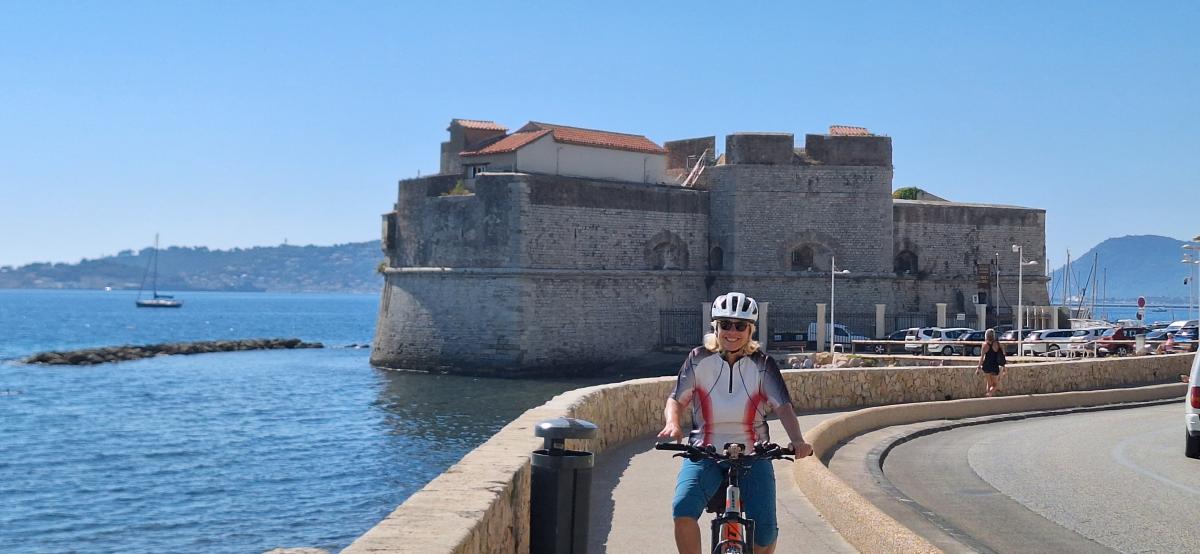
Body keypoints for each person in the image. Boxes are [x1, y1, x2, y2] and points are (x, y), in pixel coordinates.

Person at [657, 292, 813, 554]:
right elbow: (676, 399)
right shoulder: (698, 358)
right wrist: (673, 423)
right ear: (715, 328)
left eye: (740, 326)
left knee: (766, 532)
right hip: (704, 451)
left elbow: (783, 406)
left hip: (754, 454)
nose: (732, 331)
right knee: (682, 510)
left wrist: (797, 440)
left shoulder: (763, 364)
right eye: (725, 324)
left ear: (750, 330)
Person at [975, 328, 1007, 397]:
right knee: (995, 385)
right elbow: (1002, 357)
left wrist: (978, 368)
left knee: (989, 383)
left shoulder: (984, 345)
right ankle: (989, 394)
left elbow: (982, 358)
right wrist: (1004, 368)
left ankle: (988, 397)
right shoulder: (998, 344)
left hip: (986, 366)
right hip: (994, 366)